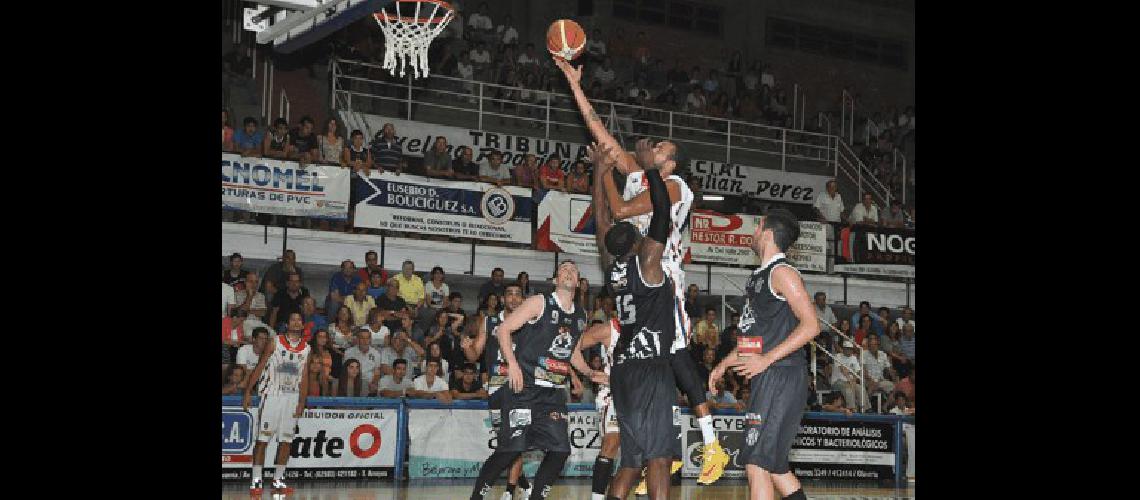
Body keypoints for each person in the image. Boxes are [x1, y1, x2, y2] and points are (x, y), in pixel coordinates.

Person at [555, 62, 727, 482]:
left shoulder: (674, 187)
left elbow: (621, 211)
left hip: (661, 274)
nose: (650, 151)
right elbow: (600, 132)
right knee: (645, 361)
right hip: (635, 273)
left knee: (676, 353)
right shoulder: (637, 175)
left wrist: (620, 173)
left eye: (660, 151)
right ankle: (658, 447)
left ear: (670, 163)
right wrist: (575, 85)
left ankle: (711, 445)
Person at [571, 162, 680, 499]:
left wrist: (602, 172)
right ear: (638, 243)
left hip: (623, 373)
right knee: (658, 457)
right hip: (650, 367)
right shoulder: (647, 263)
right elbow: (663, 212)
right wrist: (653, 172)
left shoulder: (612, 267)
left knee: (631, 461)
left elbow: (601, 219)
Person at [708, 209, 820, 500]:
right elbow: (754, 340)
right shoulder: (758, 278)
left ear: (767, 233)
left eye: (757, 227)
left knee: (756, 463)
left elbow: (812, 326)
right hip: (769, 377)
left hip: (781, 376)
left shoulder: (783, 273)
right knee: (774, 468)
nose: (753, 232)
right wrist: (725, 363)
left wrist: (767, 359)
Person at [467, 260, 587, 500]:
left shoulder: (579, 316)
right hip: (515, 386)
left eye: (573, 270)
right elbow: (497, 335)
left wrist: (584, 374)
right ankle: (481, 495)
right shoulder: (532, 305)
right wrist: (509, 363)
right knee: (512, 448)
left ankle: (526, 493)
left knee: (559, 449)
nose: (569, 272)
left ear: (578, 282)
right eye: (563, 268)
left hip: (551, 391)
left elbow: (566, 349)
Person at [460, 283, 532, 500]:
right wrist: (466, 347)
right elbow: (474, 356)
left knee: (516, 440)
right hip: (496, 387)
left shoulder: (530, 323)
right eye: (509, 294)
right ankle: (525, 484)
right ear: (502, 299)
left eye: (518, 294)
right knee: (505, 442)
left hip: (519, 388)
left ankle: (510, 491)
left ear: (523, 299)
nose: (513, 298)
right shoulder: (490, 321)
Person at [242, 312, 311, 496]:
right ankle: (256, 481)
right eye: (293, 318)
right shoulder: (275, 341)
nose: (296, 321)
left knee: (287, 440)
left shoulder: (306, 349)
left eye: (299, 319)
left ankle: (278, 480)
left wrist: (302, 401)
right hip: (272, 395)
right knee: (263, 439)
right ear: (287, 324)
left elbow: (305, 377)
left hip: (292, 397)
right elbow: (260, 366)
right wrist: (248, 391)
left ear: (303, 325)